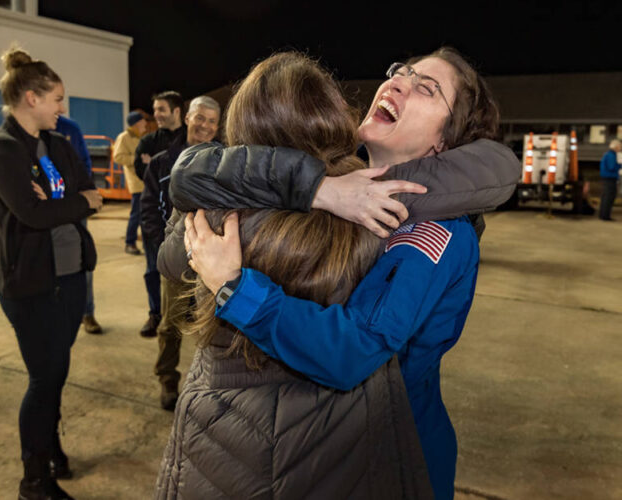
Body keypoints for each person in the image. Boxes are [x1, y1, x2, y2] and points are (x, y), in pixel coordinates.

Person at [176, 48, 518, 500]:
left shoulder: (437, 233)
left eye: (427, 89)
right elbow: (199, 176)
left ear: (442, 144)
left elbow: (355, 349)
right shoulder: (337, 175)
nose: (397, 82)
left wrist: (236, 290)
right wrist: (318, 189)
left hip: (395, 450)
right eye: (401, 71)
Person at [155, 53, 433, 499]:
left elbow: (168, 260)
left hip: (229, 429)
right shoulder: (376, 201)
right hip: (343, 433)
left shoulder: (218, 210)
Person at [0, 47, 102, 500]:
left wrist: (58, 205)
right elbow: (33, 215)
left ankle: (49, 447)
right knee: (44, 376)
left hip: (70, 275)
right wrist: (63, 205)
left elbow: (90, 193)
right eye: (57, 99)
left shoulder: (57, 146)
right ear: (31, 98)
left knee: (56, 370)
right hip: (31, 283)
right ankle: (34, 479)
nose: (62, 108)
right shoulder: (1, 149)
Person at [141, 96, 220, 410]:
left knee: (212, 323)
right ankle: (167, 377)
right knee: (171, 322)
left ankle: (208, 379)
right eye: (200, 117)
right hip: (176, 256)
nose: (205, 126)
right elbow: (148, 208)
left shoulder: (223, 159)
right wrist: (164, 245)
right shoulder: (163, 162)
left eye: (212, 121)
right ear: (187, 117)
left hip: (211, 258)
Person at [135, 91, 186, 338]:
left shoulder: (189, 138)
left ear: (177, 111)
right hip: (155, 218)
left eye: (161, 110)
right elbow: (140, 170)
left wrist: (151, 164)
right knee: (153, 269)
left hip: (183, 226)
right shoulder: (148, 141)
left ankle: (184, 315)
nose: (156, 115)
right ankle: (155, 313)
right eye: (155, 110)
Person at [55, 114, 102, 334]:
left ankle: (87, 312)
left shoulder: (69, 129)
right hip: (42, 210)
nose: (60, 107)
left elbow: (84, 165)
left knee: (81, 257)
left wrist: (82, 199)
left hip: (72, 209)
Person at [113, 111, 147, 255]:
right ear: (137, 123)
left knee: (146, 215)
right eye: (143, 121)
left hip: (145, 181)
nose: (145, 123)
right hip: (136, 181)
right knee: (136, 214)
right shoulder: (124, 137)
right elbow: (118, 157)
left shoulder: (140, 137)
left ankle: (147, 244)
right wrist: (137, 159)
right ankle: (130, 242)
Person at [599, 138, 621, 221]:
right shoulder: (611, 155)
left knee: (605, 197)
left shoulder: (608, 154)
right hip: (610, 178)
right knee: (609, 197)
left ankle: (603, 215)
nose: (620, 148)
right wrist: (619, 165)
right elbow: (612, 167)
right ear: (615, 147)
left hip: (607, 178)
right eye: (619, 146)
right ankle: (605, 216)